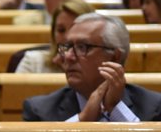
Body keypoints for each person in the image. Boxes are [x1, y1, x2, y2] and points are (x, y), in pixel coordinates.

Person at [23, 13, 161, 121]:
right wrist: (83, 119)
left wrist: (115, 109)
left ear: (114, 57)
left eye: (83, 47)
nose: (69, 57)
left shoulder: (154, 107)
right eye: (68, 47)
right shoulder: (39, 110)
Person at [15, 0, 94, 73]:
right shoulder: (32, 62)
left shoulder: (98, 67)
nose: (67, 37)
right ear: (53, 34)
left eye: (75, 30)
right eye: (61, 30)